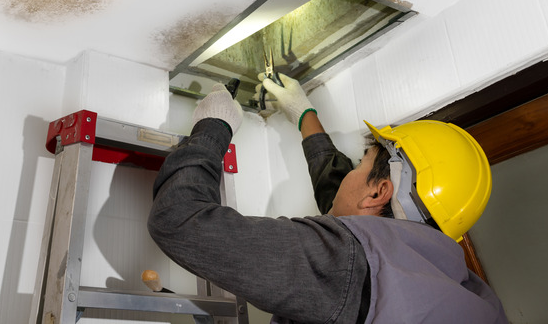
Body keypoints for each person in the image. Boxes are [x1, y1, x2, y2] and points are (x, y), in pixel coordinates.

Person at [147, 74, 507, 323]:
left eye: (359, 165)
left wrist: (212, 128)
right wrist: (305, 116)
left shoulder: (348, 262)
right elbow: (351, 211)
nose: (348, 173)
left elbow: (179, 220)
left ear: (380, 192)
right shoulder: (458, 290)